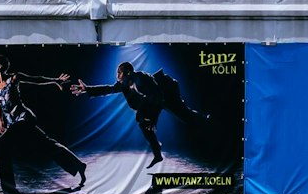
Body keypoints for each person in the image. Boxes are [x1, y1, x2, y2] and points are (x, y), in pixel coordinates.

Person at [0, 54, 85, 194]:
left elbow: (36, 79)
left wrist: (55, 80)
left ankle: (10, 191)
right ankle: (78, 166)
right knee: (47, 144)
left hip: (25, 119)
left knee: (0, 145)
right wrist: (0, 121)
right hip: (13, 123)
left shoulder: (13, 78)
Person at [75, 61, 209, 168]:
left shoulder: (141, 78)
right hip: (151, 101)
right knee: (142, 121)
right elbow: (109, 88)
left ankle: (206, 121)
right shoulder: (124, 84)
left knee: (185, 116)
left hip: (165, 94)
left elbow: (157, 97)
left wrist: (152, 120)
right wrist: (87, 89)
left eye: (119, 73)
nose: (117, 76)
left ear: (127, 72)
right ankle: (157, 153)